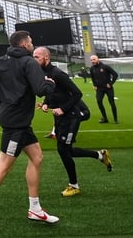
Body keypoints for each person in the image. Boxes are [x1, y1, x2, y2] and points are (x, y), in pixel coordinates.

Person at [0, 31, 58, 234]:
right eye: (31, 42)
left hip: (18, 120)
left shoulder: (1, 60)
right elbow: (41, 89)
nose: (33, 44)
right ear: (24, 44)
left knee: (37, 157)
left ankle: (34, 208)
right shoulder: (29, 62)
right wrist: (51, 84)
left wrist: (5, 95)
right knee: (4, 166)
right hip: (16, 123)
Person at [33, 47, 113, 198]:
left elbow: (77, 94)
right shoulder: (44, 73)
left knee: (63, 150)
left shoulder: (57, 74)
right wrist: (46, 103)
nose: (34, 59)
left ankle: (74, 185)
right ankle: (100, 155)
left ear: (46, 57)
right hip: (61, 118)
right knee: (66, 150)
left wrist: (63, 109)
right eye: (33, 57)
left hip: (71, 117)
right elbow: (54, 93)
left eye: (37, 57)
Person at [89, 55, 119, 124]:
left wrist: (111, 83)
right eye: (91, 60)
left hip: (108, 88)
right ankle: (105, 118)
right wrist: (94, 85)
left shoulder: (105, 67)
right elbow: (92, 77)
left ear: (98, 59)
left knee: (112, 103)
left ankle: (115, 119)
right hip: (99, 88)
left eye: (94, 59)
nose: (92, 61)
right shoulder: (92, 69)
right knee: (99, 101)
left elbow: (115, 74)